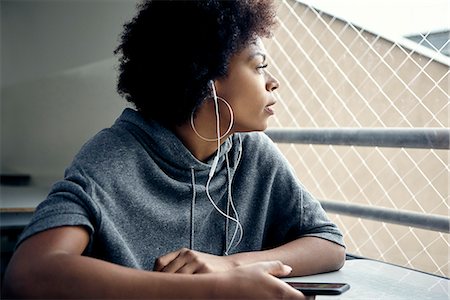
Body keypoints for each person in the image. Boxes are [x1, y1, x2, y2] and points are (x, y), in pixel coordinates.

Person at [3, 0, 345, 298]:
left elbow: (329, 244)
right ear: (205, 76)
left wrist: (228, 266)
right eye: (259, 66)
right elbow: (29, 274)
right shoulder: (115, 155)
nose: (273, 82)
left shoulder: (253, 153)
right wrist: (212, 292)